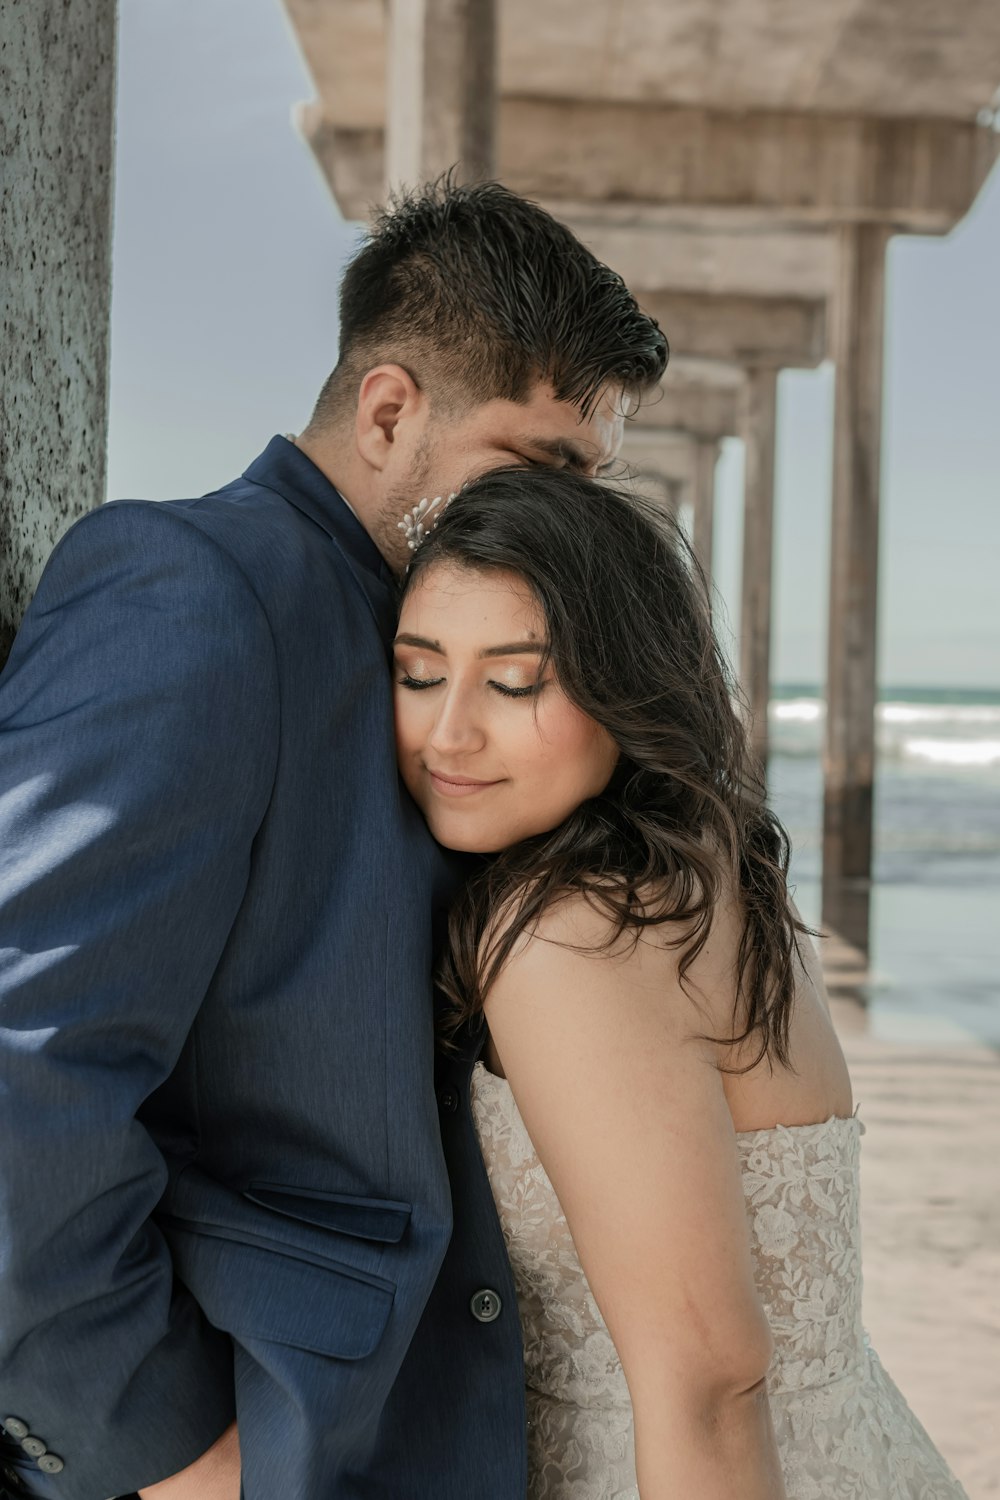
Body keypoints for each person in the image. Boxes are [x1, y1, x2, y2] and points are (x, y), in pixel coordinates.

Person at [0, 180, 667, 1500]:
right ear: (386, 412)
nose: (569, 527)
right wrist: (168, 1448)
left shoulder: (445, 645)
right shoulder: (195, 592)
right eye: (540, 467)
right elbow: (22, 1057)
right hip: (252, 1442)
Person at [392, 466, 971, 1500]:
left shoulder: (572, 936)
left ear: (626, 685)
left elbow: (707, 1381)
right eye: (421, 673)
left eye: (515, 681)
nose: (450, 733)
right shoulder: (713, 866)